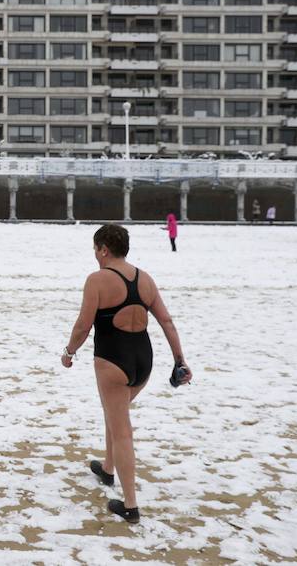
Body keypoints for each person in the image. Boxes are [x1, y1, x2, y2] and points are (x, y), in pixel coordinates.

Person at [61, 224, 191, 524]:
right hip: (143, 361)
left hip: (112, 361)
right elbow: (167, 321)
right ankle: (107, 469)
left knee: (122, 430)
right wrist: (180, 360)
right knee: (115, 412)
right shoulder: (144, 279)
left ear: (104, 249)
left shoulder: (97, 280)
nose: (95, 255)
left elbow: (83, 325)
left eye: (96, 249)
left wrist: (69, 352)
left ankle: (131, 506)